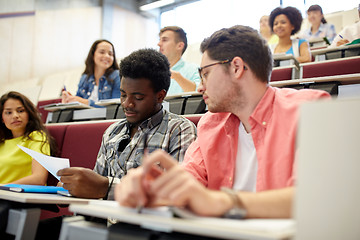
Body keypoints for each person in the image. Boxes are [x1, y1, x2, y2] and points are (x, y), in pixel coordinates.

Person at [115, 25, 330, 218]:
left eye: (205, 74)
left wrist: (223, 202)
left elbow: (316, 198)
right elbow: (189, 183)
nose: (199, 87)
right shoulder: (211, 124)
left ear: (236, 67)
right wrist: (150, 190)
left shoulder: (311, 109)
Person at [57, 48, 197, 199]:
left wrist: (107, 187)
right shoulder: (112, 131)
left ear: (160, 96)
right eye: (123, 95)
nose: (127, 104)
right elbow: (94, 188)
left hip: (145, 220)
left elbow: (175, 192)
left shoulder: (179, 129)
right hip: (102, 218)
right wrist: (75, 187)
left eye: (138, 97)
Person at [0, 91, 57, 184]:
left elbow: (39, 179)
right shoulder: (2, 142)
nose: (15, 116)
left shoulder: (37, 137)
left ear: (28, 113)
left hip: (18, 195)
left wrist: (2, 188)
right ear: (2, 118)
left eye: (20, 111)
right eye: (8, 112)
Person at [61, 39, 120, 107]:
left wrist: (86, 102)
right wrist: (70, 99)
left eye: (110, 54)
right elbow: (78, 103)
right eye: (102, 52)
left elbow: (115, 108)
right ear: (93, 55)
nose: (107, 56)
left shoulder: (117, 76)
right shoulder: (84, 78)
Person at [158, 26, 200, 95]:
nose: (159, 44)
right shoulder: (154, 72)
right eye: (159, 40)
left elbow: (199, 93)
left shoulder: (194, 70)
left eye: (164, 40)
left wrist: (177, 77)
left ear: (180, 46)